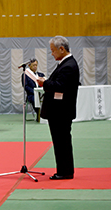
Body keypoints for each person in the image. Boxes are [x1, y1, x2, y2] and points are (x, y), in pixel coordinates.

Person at [37, 36, 80, 180]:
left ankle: (65, 171)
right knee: (61, 142)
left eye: (53, 51)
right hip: (60, 111)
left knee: (62, 143)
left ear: (62, 49)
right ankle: (64, 170)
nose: (52, 54)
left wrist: (45, 83)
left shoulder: (68, 65)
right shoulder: (66, 63)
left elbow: (61, 86)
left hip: (61, 111)